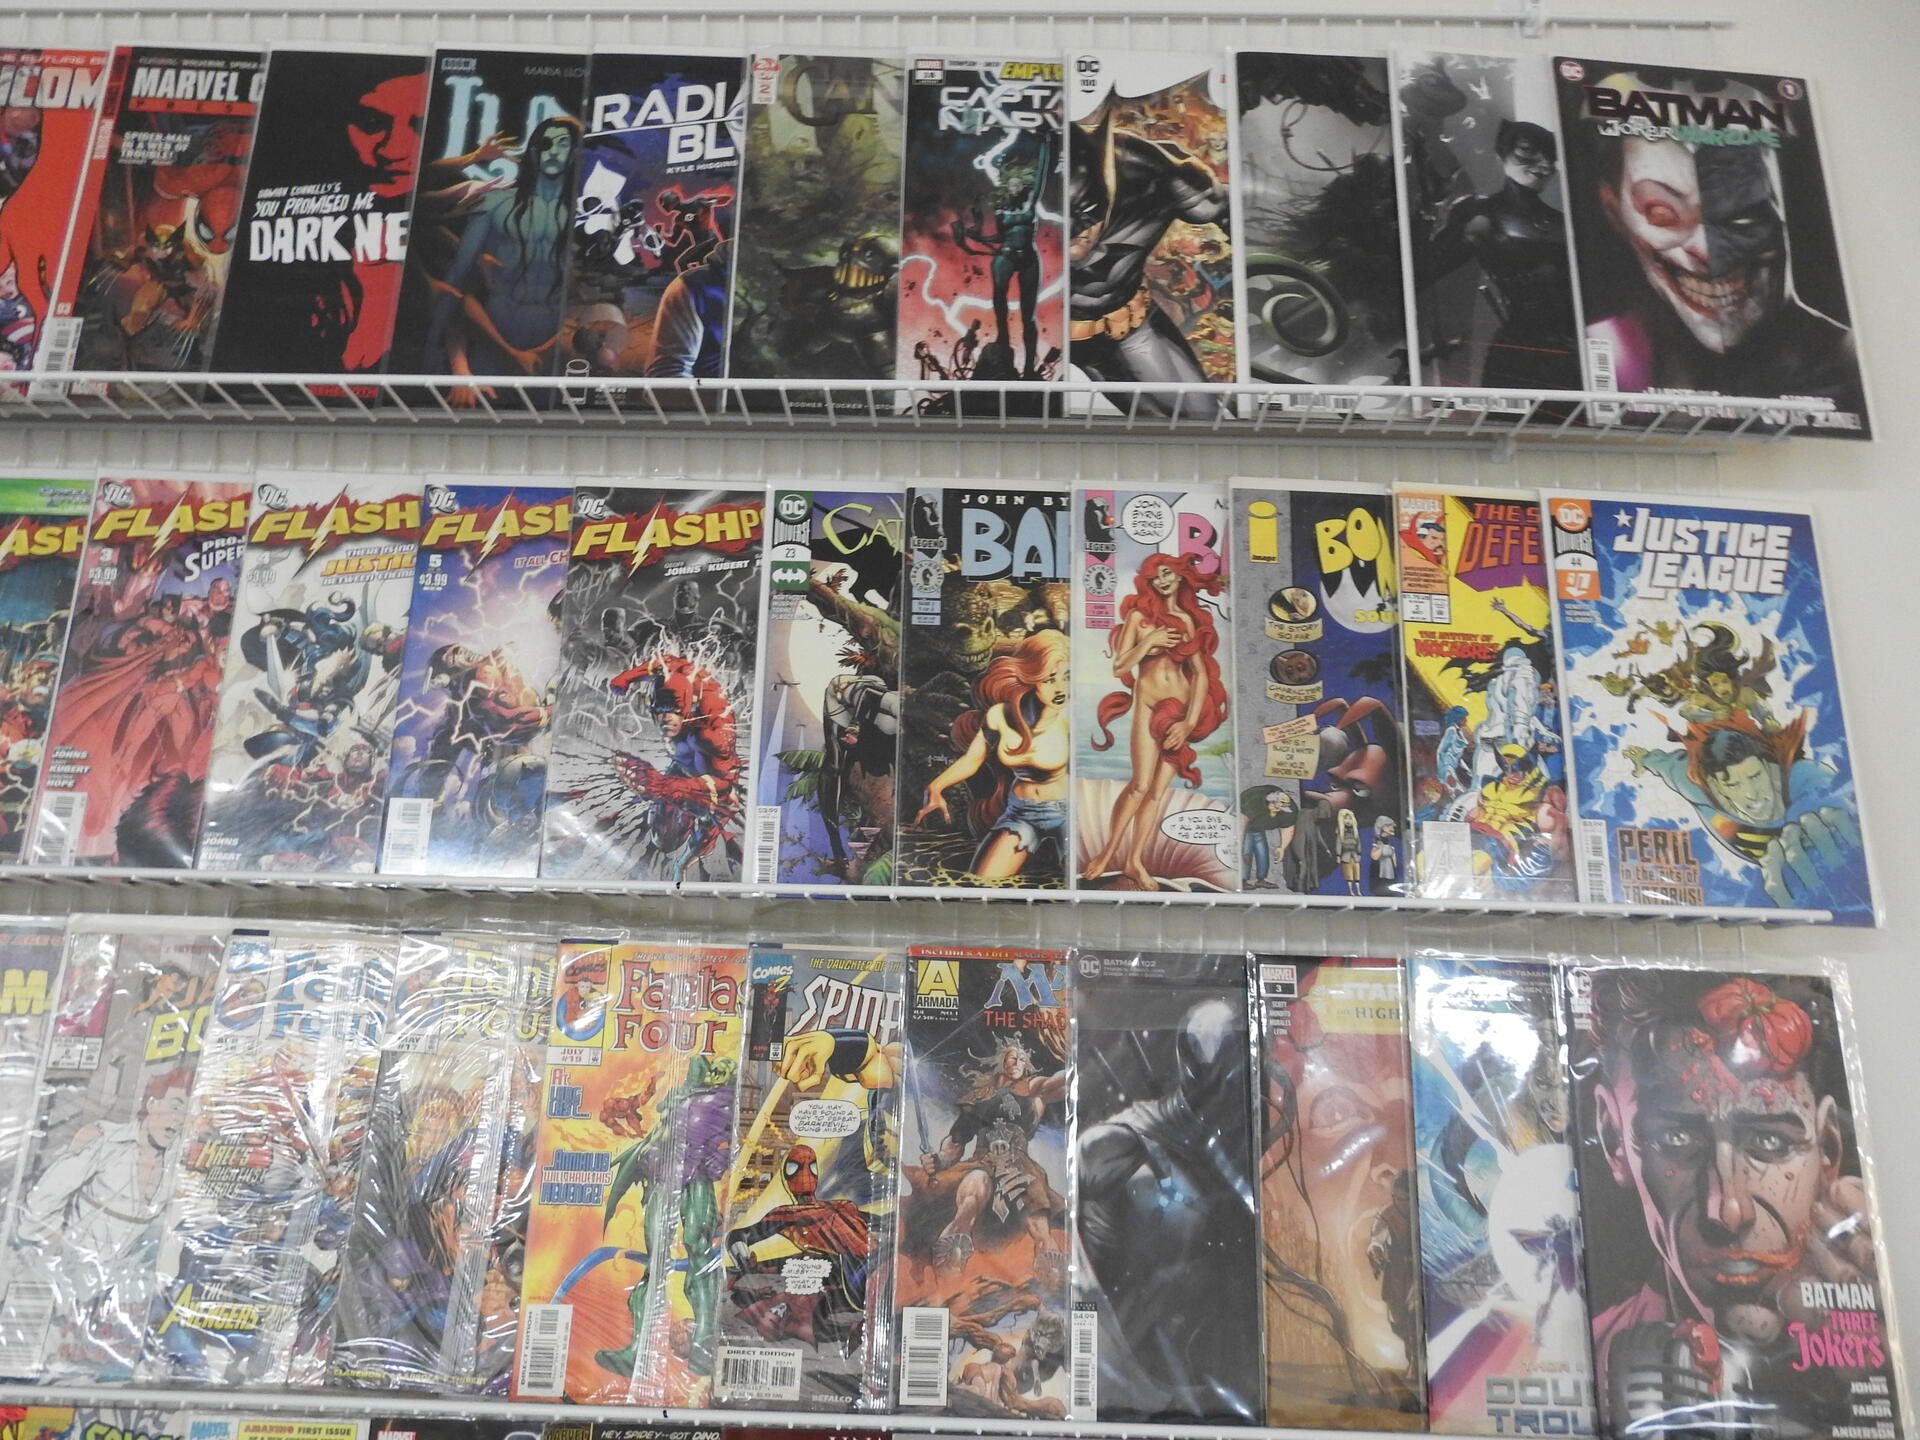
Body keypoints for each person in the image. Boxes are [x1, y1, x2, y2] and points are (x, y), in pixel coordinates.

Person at [1584, 971, 1880, 1432]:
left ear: (1827, 1149)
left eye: (1770, 1141)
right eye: (1676, 1138)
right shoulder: (1571, 1359)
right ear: (1612, 1138)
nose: (1728, 1211)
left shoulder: (1880, 1347)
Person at [1082, 553, 1228, 890]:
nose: (1162, 581)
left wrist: (1189, 723)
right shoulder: (1139, 618)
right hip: (1148, 706)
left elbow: (1200, 674)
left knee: (1156, 793)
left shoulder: (1187, 620)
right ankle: (1108, 853)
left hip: (1180, 712)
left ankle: (1134, 861)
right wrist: (1149, 641)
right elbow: (1119, 667)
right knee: (1139, 785)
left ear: (1180, 577)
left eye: (1168, 574)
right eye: (1156, 576)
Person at [914, 629, 1069, 882]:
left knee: (1088, 884)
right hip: (1021, 812)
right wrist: (935, 787)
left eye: (1067, 677)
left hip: (1068, 812)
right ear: (1031, 677)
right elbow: (972, 760)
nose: (1061, 688)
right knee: (982, 884)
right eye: (1050, 679)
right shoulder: (1001, 715)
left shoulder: (1071, 718)